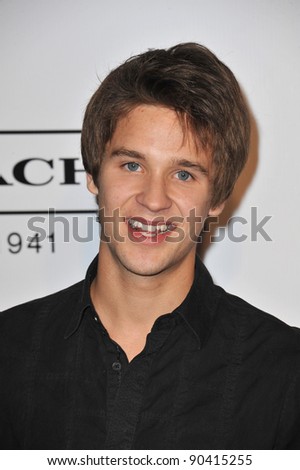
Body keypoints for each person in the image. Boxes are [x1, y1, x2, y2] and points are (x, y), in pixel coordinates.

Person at [0, 43, 299, 450]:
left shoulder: (284, 370)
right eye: (132, 165)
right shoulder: (8, 350)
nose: (154, 199)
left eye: (184, 174)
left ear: (217, 199)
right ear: (93, 174)